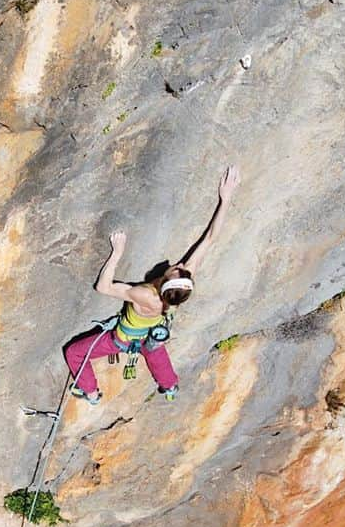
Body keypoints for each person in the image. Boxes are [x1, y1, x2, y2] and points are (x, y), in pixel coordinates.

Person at [63, 165, 241, 405]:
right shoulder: (181, 288)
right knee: (155, 351)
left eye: (175, 269)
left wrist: (117, 253)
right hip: (152, 334)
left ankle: (91, 392)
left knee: (74, 352)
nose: (177, 263)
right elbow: (210, 238)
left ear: (165, 282)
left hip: (122, 339)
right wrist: (225, 199)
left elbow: (103, 288)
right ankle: (169, 386)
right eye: (180, 268)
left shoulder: (145, 294)